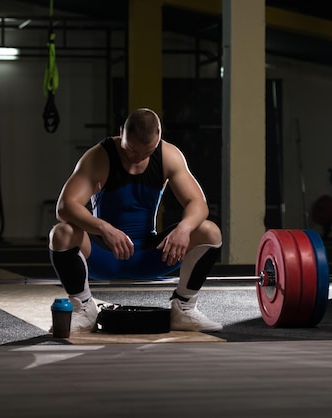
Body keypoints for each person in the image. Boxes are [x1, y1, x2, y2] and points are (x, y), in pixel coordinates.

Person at [48, 108, 223, 333]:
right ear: (121, 133)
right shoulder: (99, 156)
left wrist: (184, 228)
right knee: (61, 233)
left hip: (147, 256)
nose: (136, 158)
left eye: (145, 153)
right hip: (104, 255)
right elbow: (65, 206)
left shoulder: (168, 155)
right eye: (131, 150)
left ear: (158, 140)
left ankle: (184, 309)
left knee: (209, 231)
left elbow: (198, 203)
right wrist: (103, 228)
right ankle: (84, 309)